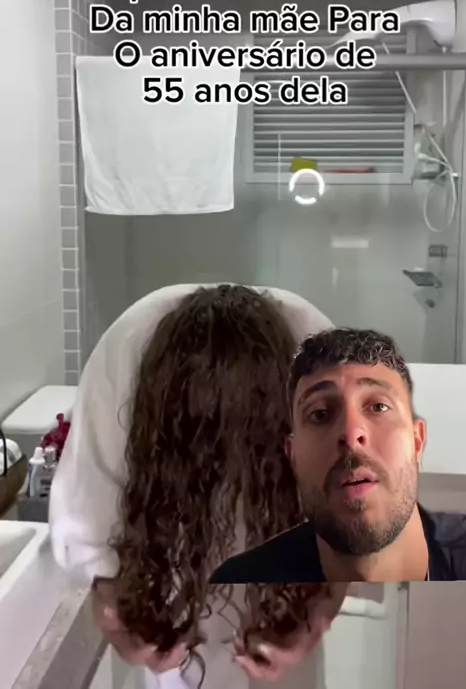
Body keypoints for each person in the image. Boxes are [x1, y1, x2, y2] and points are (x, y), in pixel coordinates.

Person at [49, 283, 343, 688]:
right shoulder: (123, 361)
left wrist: (314, 619)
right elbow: (89, 538)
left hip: (285, 606)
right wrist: (126, 633)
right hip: (160, 601)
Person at [211, 327, 466, 584]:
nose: (351, 434)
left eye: (378, 406)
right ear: (293, 457)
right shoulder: (239, 584)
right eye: (320, 414)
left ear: (417, 441)